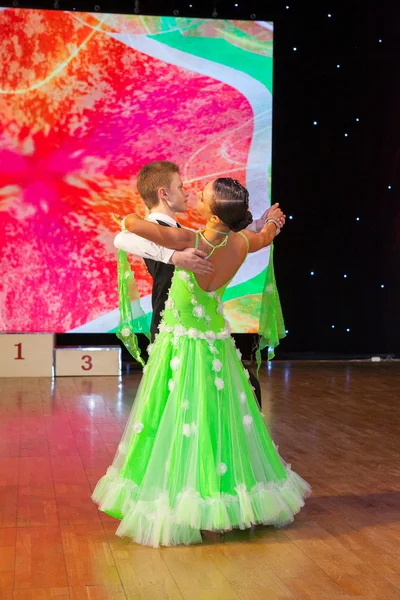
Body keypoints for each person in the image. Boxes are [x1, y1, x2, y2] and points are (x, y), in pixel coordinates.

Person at [92, 176, 310, 548]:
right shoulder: (242, 241)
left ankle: (184, 499)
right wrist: (272, 222)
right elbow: (264, 237)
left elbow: (131, 226)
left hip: (181, 343)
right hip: (217, 342)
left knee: (179, 416)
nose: (197, 195)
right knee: (215, 416)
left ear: (210, 211)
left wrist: (131, 220)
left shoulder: (193, 240)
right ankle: (223, 499)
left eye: (204, 196)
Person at [113, 161, 272, 407]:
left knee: (215, 395)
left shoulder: (187, 234)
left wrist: (249, 225)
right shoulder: (159, 229)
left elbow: (219, 240)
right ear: (163, 194)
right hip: (173, 327)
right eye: (181, 186)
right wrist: (174, 257)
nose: (188, 192)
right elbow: (121, 237)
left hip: (197, 329)